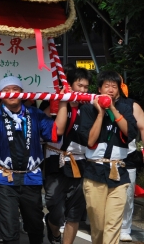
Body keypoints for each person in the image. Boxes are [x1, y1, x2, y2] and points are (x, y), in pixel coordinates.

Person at [0, 76, 68, 244]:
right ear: (0, 94)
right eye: (6, 90)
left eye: (15, 89)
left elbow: (57, 131)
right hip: (5, 177)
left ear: (22, 93)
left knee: (35, 226)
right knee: (9, 229)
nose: (11, 93)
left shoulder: (35, 114)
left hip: (31, 177)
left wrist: (63, 102)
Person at [78, 71, 137, 244]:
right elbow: (90, 140)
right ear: (99, 89)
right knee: (99, 226)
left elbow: (130, 133)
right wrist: (101, 113)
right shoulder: (88, 109)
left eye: (114, 86)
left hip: (118, 172)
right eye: (107, 86)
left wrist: (111, 108)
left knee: (112, 224)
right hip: (94, 172)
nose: (110, 90)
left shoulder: (126, 108)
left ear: (118, 90)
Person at [42, 68, 90, 244]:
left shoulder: (90, 107)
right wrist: (61, 100)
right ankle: (53, 229)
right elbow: (43, 121)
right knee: (54, 206)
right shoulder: (54, 103)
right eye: (79, 85)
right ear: (68, 85)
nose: (83, 91)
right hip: (57, 160)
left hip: (81, 162)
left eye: (86, 87)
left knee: (75, 212)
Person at [122, 89, 144, 242]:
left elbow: (142, 127)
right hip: (102, 157)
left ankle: (125, 227)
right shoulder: (96, 102)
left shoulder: (132, 105)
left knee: (128, 194)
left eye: (115, 85)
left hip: (128, 155)